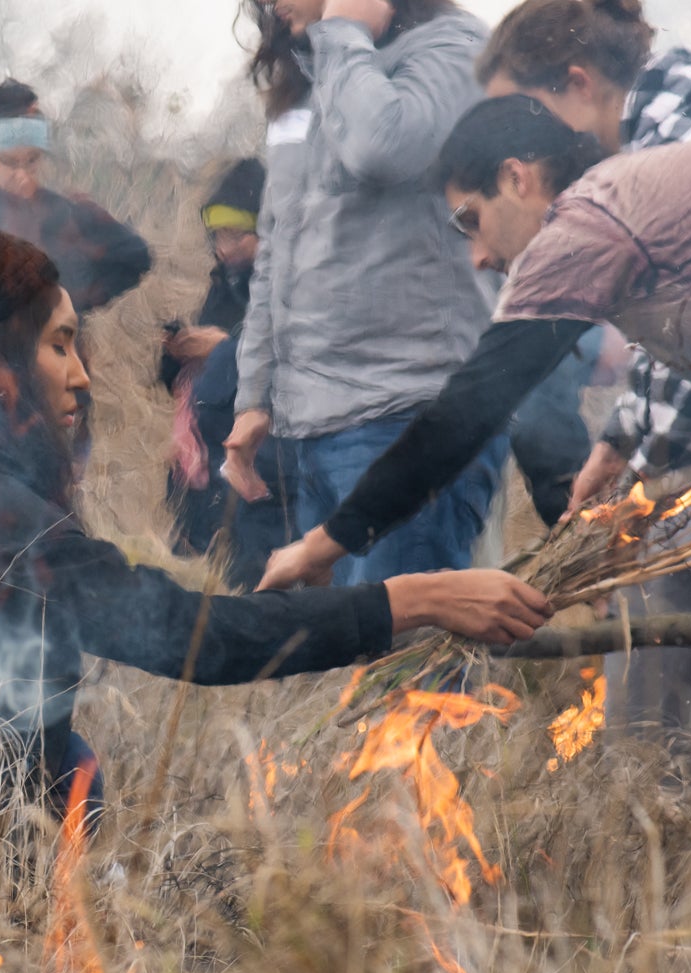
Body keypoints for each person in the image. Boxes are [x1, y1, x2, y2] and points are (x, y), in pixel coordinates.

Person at [0, 227, 553, 833]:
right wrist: (415, 598)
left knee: (70, 767)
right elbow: (189, 636)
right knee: (66, 780)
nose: (82, 374)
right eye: (58, 345)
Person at [258, 96, 691, 760]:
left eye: (472, 219)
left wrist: (328, 542)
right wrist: (619, 445)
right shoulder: (633, 201)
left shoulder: (582, 221)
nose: (480, 257)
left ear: (518, 178)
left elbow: (466, 413)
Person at [477, 0, 691, 750]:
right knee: (644, 721)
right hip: (688, 471)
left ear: (578, 85)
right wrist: (621, 442)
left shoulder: (688, 134)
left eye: (524, 113)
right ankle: (648, 859)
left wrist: (650, 456)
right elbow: (672, 336)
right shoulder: (636, 153)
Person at [223, 0, 510, 586]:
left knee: (402, 666)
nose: (273, 6)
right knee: (346, 663)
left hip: (409, 418)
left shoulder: (453, 49)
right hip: (316, 428)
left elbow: (384, 148)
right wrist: (254, 395)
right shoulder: (311, 79)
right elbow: (277, 244)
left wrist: (346, 30)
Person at [161, 158, 295, 587]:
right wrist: (178, 351)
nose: (224, 247)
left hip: (265, 472)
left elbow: (286, 364)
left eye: (237, 234)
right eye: (217, 235)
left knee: (259, 582)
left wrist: (221, 348)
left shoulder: (289, 288)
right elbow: (174, 383)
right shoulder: (225, 285)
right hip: (211, 474)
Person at [0, 79, 152, 314]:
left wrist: (79, 300)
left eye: (32, 160)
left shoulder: (62, 211)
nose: (22, 175)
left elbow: (136, 255)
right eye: (9, 162)